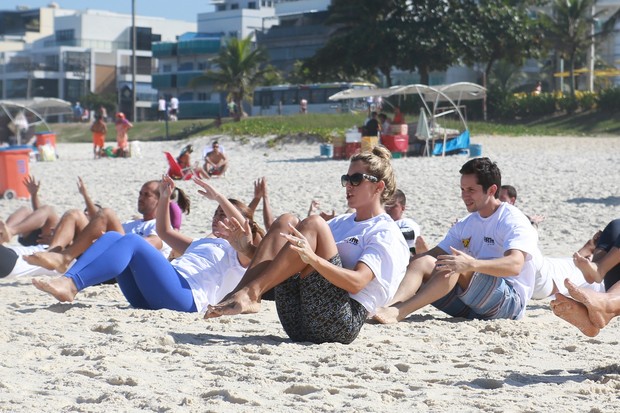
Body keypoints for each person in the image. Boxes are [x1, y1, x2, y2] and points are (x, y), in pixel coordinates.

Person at [205, 146, 410, 344]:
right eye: (346, 179)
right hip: (297, 319)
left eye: (356, 180)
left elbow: (357, 282)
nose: (348, 185)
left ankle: (251, 293)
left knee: (313, 223)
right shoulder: (340, 223)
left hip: (340, 321)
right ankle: (243, 295)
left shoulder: (384, 231)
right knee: (287, 221)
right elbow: (286, 262)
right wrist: (247, 249)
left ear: (378, 186)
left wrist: (314, 259)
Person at [31, 176, 264, 314]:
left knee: (132, 241)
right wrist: (164, 197)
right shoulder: (203, 242)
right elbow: (165, 231)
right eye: (216, 213)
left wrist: (220, 198)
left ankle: (72, 284)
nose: (217, 218)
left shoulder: (241, 254)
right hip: (152, 294)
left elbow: (245, 225)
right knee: (113, 237)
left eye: (224, 215)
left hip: (186, 297)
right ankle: (69, 280)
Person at [374, 157, 540, 324]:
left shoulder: (511, 219)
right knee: (423, 262)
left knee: (454, 265)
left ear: (491, 190)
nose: (464, 196)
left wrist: (471, 264)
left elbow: (515, 265)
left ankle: (400, 311)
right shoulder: (467, 223)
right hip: (471, 306)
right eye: (462, 189)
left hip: (509, 305)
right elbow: (434, 255)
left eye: (471, 190)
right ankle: (389, 306)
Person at [24, 180, 169, 273]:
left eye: (146, 195)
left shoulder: (158, 226)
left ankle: (64, 257)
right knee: (74, 214)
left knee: (107, 213)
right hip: (102, 257)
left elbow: (145, 246)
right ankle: (53, 253)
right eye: (140, 194)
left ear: (159, 200)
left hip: (123, 267)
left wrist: (109, 240)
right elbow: (95, 225)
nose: (140, 198)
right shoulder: (130, 224)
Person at [0, 175, 58, 246]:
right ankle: (4, 232)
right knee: (26, 210)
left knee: (48, 210)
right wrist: (34, 195)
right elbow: (40, 213)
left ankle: (11, 231)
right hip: (38, 235)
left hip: (48, 240)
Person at [385, 189, 421, 255]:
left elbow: (410, 234)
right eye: (385, 205)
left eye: (392, 206)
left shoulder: (406, 222)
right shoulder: (378, 222)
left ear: (403, 208)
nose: (388, 209)